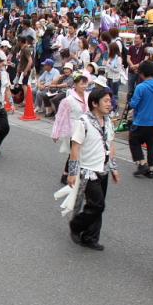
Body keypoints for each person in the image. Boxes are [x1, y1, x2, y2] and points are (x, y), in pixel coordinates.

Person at [64, 88, 120, 251]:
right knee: (97, 205)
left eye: (110, 101)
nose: (110, 104)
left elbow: (111, 145)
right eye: (106, 101)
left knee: (97, 206)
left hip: (103, 169)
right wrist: (73, 172)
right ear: (95, 103)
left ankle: (90, 237)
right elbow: (75, 147)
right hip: (88, 171)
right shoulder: (83, 122)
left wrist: (114, 168)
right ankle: (76, 225)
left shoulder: (108, 121)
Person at [128, 61, 153, 178]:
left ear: (141, 73)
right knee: (152, 146)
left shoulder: (141, 87)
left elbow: (134, 104)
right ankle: (150, 170)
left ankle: (142, 163)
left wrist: (130, 101)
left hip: (141, 120)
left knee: (134, 141)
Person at [53, 74, 90, 184]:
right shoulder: (68, 100)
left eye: (86, 83)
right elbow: (60, 116)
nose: (84, 86)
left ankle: (69, 174)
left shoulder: (89, 96)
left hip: (87, 128)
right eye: (81, 83)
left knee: (81, 152)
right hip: (73, 129)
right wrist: (56, 133)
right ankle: (68, 174)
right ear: (75, 85)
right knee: (75, 152)